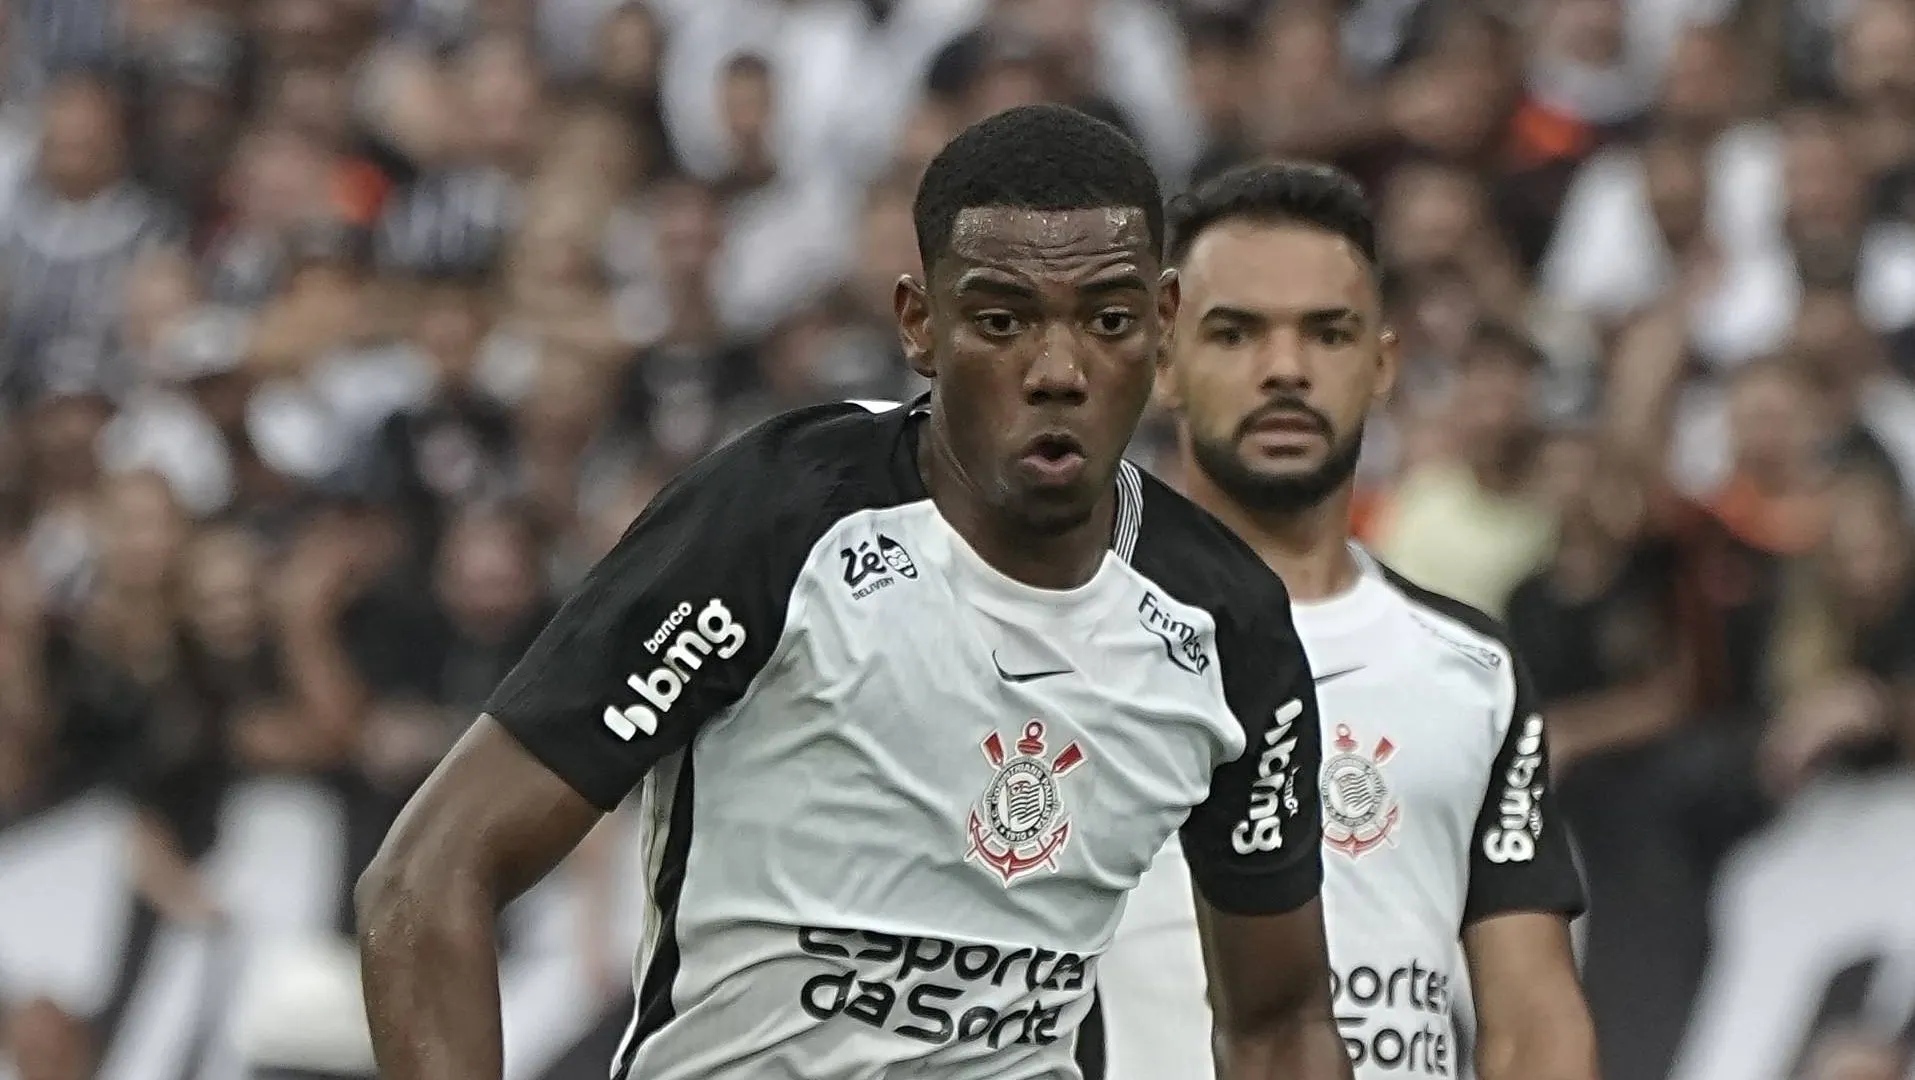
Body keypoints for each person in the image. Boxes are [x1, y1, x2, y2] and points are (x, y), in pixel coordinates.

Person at [355, 105, 1354, 1080]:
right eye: (1001, 321)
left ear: (1165, 325)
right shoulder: (777, 519)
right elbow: (427, 876)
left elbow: (1281, 1025)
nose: (1058, 370)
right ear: (920, 324)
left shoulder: (1225, 623)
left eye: (1109, 321)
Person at [1089, 160, 1599, 1080]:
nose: (1285, 369)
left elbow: (1533, 1020)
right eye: (1236, 333)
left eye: (1327, 333)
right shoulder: (1069, 640)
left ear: (1383, 365)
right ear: (1163, 364)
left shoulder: (1470, 670)